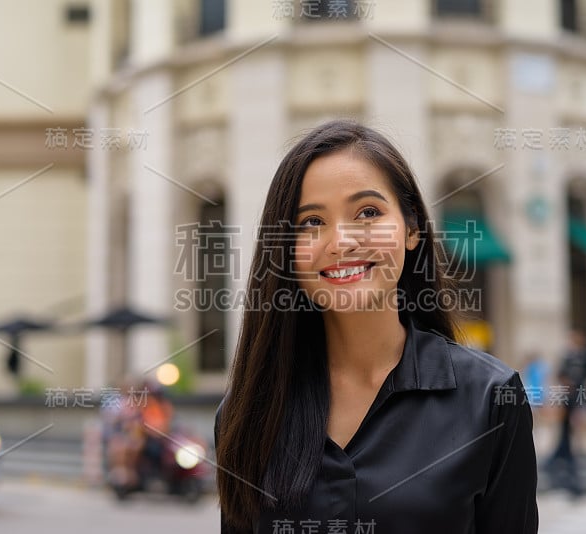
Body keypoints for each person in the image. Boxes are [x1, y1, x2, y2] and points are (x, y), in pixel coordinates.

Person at [214, 120, 538, 533]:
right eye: (312, 221)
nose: (341, 242)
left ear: (412, 228)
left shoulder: (491, 399)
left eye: (368, 212)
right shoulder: (248, 412)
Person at [546, 330, 586, 499]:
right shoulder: (566, 357)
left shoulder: (585, 357)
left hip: (579, 397)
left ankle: (564, 456)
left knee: (573, 433)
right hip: (568, 399)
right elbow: (559, 374)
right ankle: (559, 458)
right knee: (565, 435)